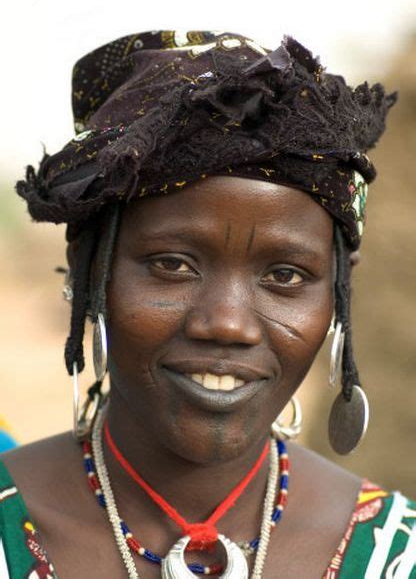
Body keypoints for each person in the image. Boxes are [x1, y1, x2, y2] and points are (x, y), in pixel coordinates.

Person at [0, 30, 414, 578]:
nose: (227, 324)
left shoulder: (394, 555)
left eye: (285, 275)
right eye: (173, 264)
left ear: (338, 293)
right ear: (88, 268)